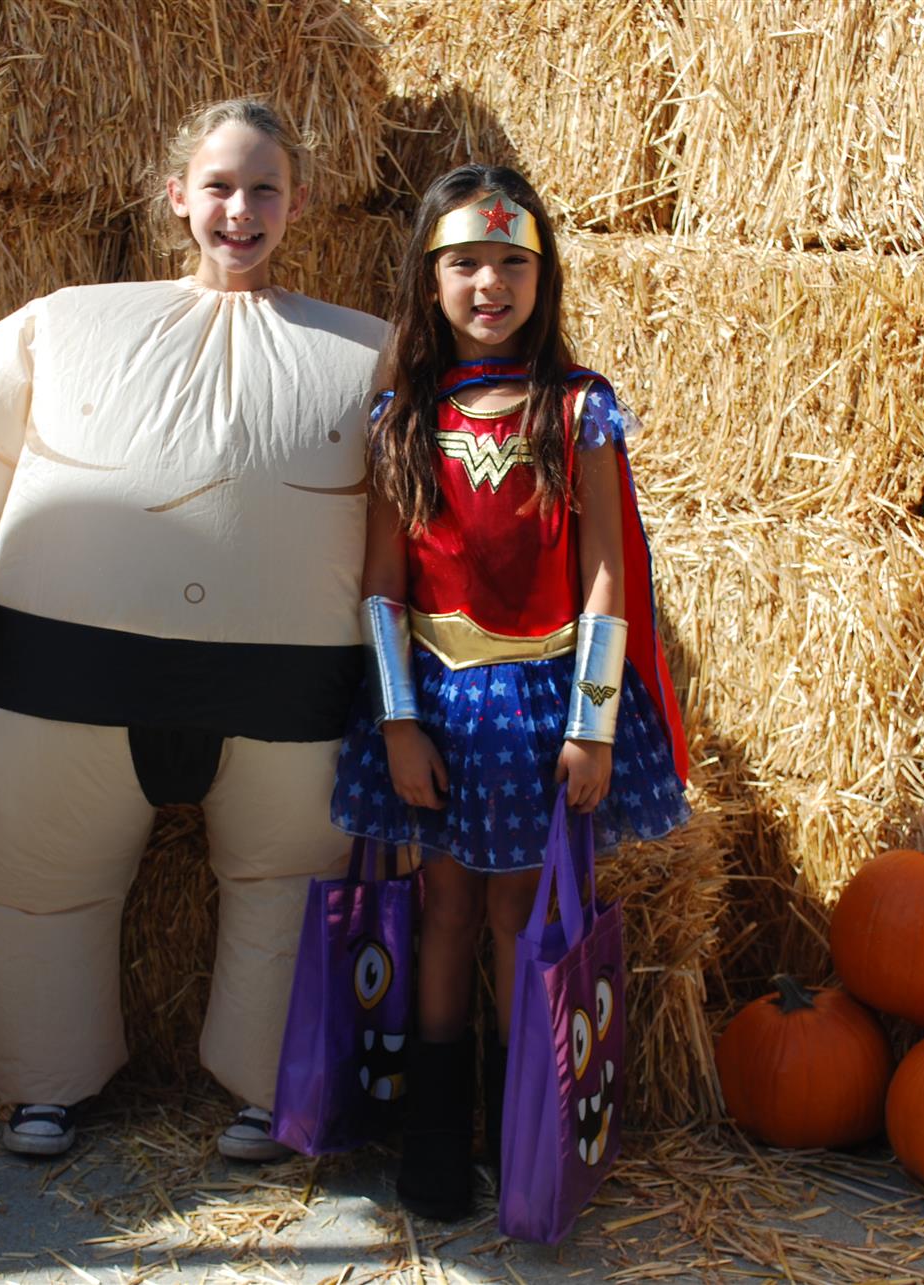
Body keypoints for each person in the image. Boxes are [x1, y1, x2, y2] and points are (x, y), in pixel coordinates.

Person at [0, 99, 388, 1161]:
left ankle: (270, 1085)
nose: (240, 210)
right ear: (177, 196)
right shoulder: (69, 322)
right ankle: (45, 1079)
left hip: (289, 705)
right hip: (64, 685)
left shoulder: (364, 356)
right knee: (24, 869)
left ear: (297, 203)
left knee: (298, 881)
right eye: (218, 186)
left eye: (264, 189)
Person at [331, 165, 690, 1219]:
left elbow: (606, 576)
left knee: (516, 912)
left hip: (540, 711)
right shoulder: (403, 415)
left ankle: (522, 1125)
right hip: (437, 705)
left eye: (512, 262)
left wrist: (594, 725)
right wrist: (398, 721)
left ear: (544, 274)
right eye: (466, 263)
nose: (490, 282)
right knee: (441, 902)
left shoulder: (579, 408)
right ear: (429, 277)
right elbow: (383, 587)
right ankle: (436, 1138)